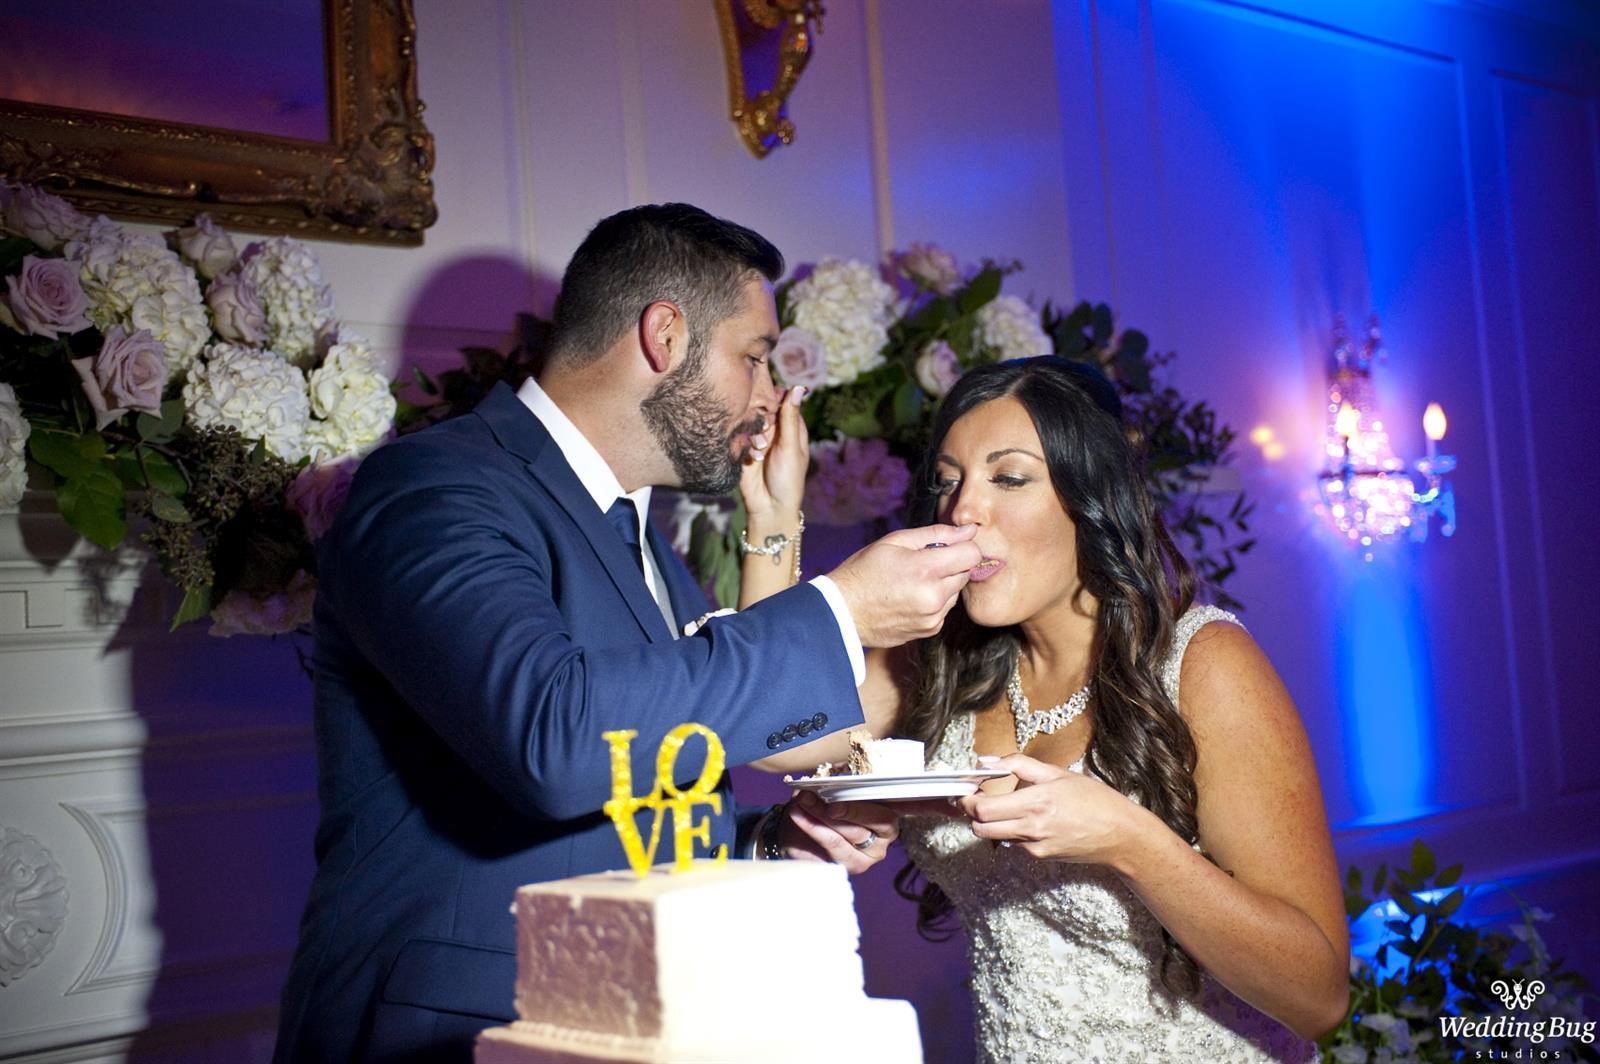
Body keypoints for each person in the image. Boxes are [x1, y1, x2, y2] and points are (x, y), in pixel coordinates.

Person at [271, 204, 983, 1063]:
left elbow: (638, 764)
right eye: (753, 357)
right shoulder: (432, 490)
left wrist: (766, 842)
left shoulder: (640, 534)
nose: (770, 396)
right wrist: (841, 610)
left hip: (611, 1016)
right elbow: (555, 740)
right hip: (450, 1033)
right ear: (665, 336)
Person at [753, 357, 1350, 1062]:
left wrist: (1130, 842)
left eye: (1009, 478)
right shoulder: (942, 668)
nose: (963, 511)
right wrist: (773, 513)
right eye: (948, 481)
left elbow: (1319, 998)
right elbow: (767, 726)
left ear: (1089, 497)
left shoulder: (1202, 663)